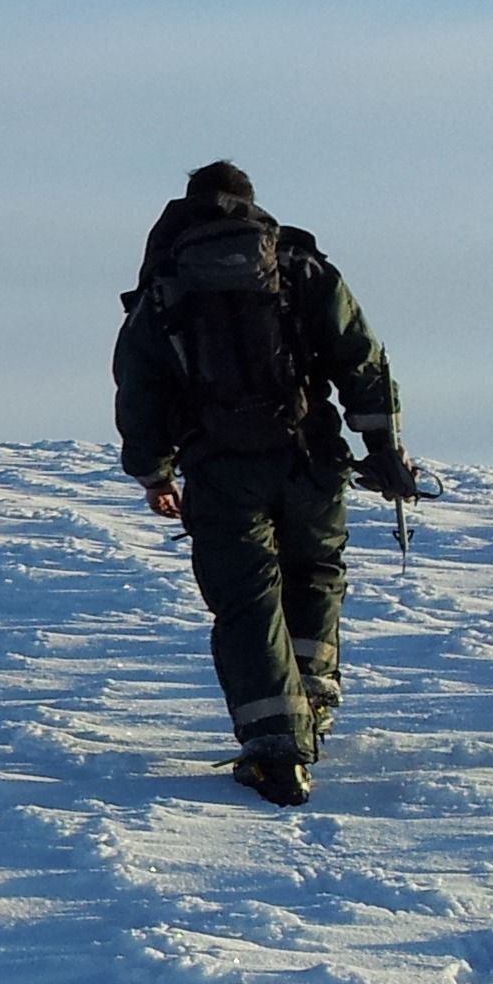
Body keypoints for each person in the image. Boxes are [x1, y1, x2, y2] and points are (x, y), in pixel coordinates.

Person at [113, 161, 416, 807]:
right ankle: (313, 703)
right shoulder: (298, 267)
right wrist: (384, 447)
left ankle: (276, 747)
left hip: (220, 469)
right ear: (251, 204)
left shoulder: (165, 286)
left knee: (248, 599)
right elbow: (360, 357)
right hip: (309, 458)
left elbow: (140, 389)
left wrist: (153, 472)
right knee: (314, 572)